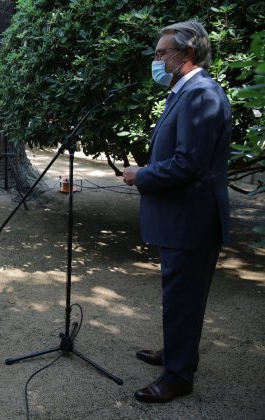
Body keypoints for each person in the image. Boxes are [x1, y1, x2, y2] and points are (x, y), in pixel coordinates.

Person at [123, 21, 232, 403]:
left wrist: (143, 175)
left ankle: (177, 377)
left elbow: (189, 164)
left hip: (193, 220)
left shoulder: (201, 93)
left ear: (186, 55)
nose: (156, 61)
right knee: (180, 297)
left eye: (161, 54)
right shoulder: (185, 91)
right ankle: (179, 354)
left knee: (183, 298)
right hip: (184, 217)